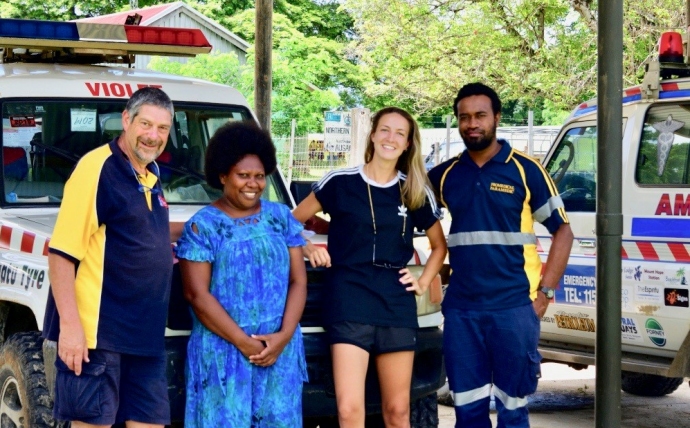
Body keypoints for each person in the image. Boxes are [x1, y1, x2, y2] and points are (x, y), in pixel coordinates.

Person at [427, 82, 574, 428]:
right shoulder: (444, 175)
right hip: (462, 311)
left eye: (480, 115)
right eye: (464, 118)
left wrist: (545, 294)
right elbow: (396, 210)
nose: (472, 124)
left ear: (496, 117)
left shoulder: (526, 169)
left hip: (514, 309)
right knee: (468, 411)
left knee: (513, 412)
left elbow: (563, 231)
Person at [293, 107, 447, 428]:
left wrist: (423, 281)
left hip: (395, 299)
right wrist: (307, 245)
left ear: (407, 144)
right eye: (385, 130)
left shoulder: (414, 190)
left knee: (397, 412)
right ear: (373, 135)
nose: (391, 138)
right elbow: (288, 221)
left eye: (399, 134)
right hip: (349, 295)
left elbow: (439, 246)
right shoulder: (340, 182)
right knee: (350, 410)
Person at [43, 87, 176, 427]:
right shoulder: (97, 168)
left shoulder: (151, 174)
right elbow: (61, 254)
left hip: (145, 340)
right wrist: (71, 329)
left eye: (162, 128)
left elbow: (137, 232)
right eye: (146, 124)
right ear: (126, 120)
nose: (153, 136)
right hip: (97, 339)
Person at [176, 122, 308, 427]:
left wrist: (283, 337)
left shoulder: (279, 218)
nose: (253, 184)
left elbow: (298, 281)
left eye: (259, 176)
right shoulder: (203, 226)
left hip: (279, 351)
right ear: (223, 175)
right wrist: (245, 343)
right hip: (223, 354)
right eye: (243, 175)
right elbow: (197, 295)